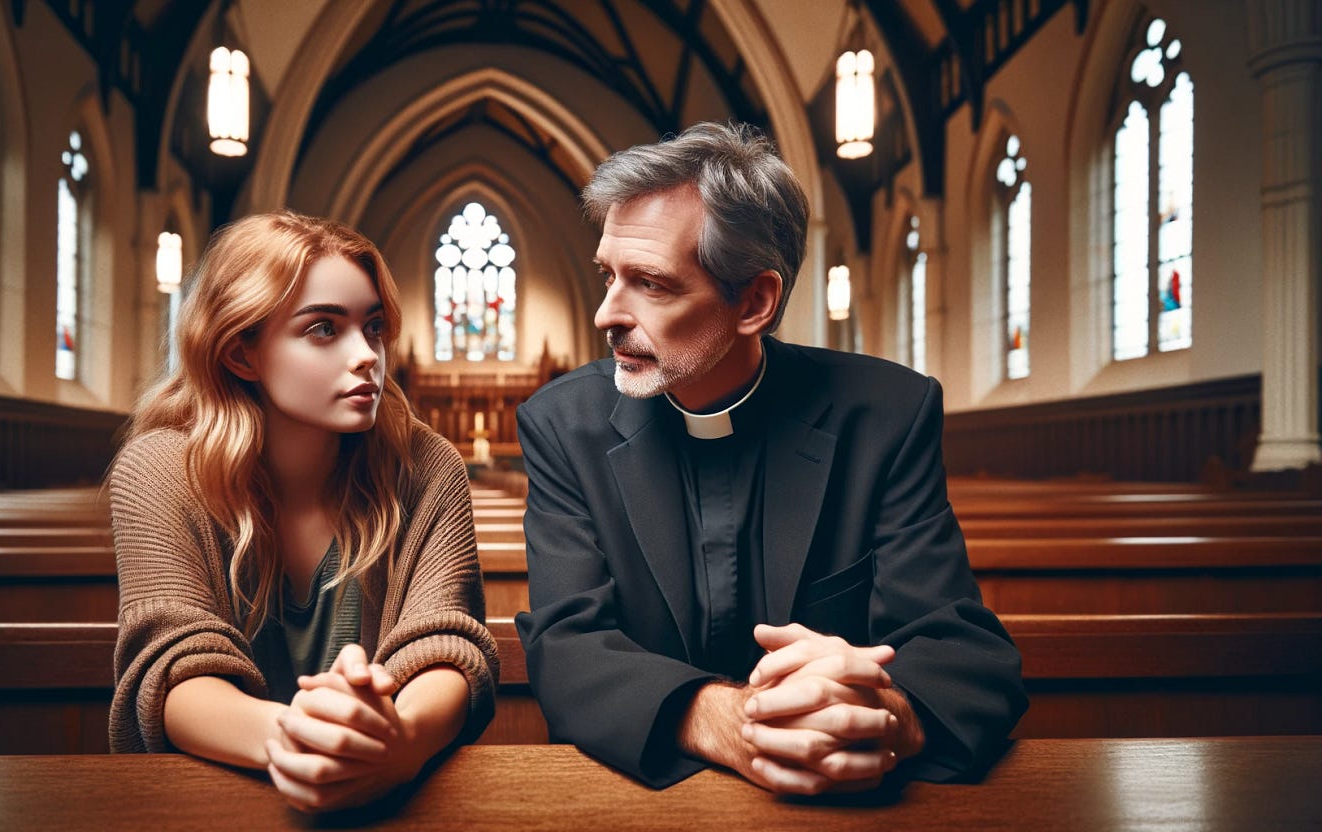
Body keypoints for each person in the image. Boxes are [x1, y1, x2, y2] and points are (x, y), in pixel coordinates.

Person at [514, 122, 1027, 794]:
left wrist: (889, 715)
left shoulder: (886, 417)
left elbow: (965, 654)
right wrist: (725, 720)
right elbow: (566, 647)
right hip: (638, 798)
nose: (607, 313)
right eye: (608, 275)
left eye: (652, 284)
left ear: (755, 301)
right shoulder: (562, 425)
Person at [108, 211, 499, 813]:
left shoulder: (426, 467)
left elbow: (446, 644)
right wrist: (300, 739)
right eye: (323, 329)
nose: (367, 356)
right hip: (215, 804)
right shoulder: (159, 471)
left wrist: (402, 741)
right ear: (242, 352)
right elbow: (171, 667)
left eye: (373, 327)